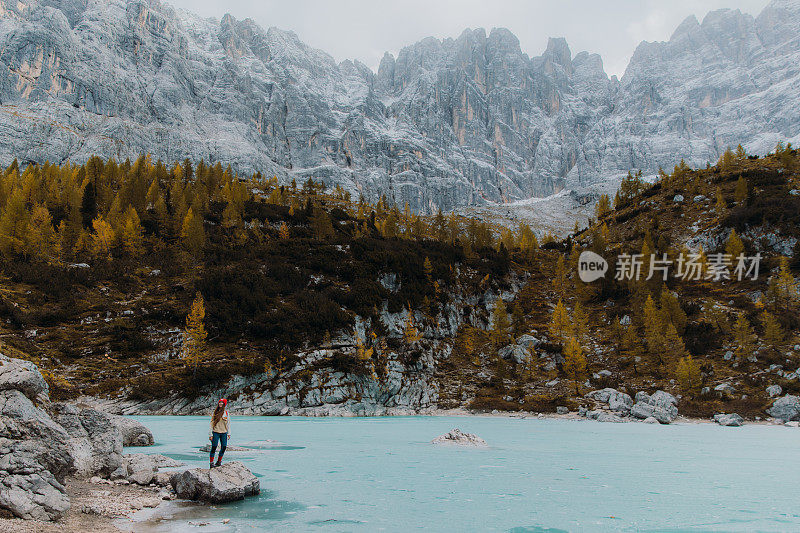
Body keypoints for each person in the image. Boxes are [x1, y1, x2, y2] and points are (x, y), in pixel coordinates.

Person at [209, 398, 230, 468]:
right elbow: (211, 424)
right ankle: (211, 463)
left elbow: (228, 424)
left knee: (224, 447)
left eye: (222, 403)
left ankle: (219, 462)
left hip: (224, 433)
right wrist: (210, 434)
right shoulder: (215, 412)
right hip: (216, 432)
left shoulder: (226, 413)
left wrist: (229, 433)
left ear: (224, 404)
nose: (220, 404)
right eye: (219, 402)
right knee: (214, 447)